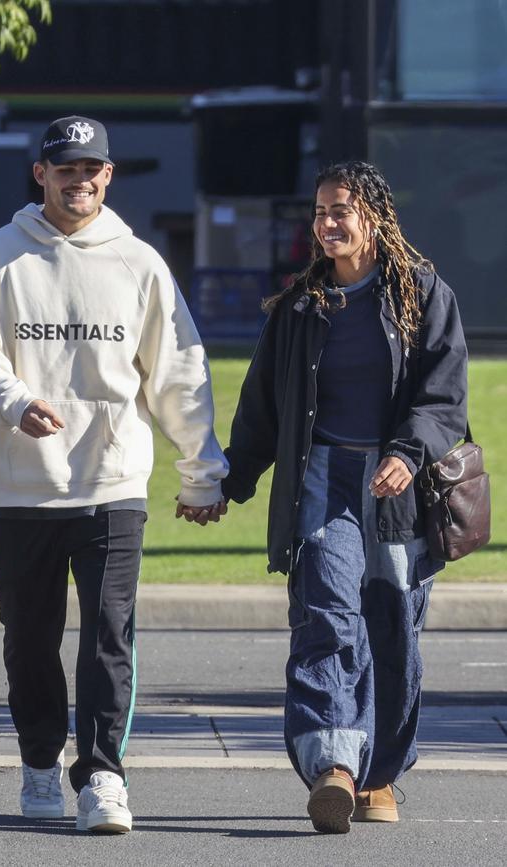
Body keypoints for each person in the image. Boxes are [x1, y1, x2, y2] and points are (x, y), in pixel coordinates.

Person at [0, 114, 227, 833]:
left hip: (112, 486)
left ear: (108, 176)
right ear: (41, 174)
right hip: (20, 490)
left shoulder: (139, 264)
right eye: (65, 168)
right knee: (29, 640)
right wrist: (13, 402)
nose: (80, 180)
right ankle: (41, 762)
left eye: (92, 169)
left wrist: (201, 472)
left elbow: (178, 373)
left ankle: (103, 774)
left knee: (108, 635)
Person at [221, 161, 467, 834]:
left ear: (374, 219)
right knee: (327, 615)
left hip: (398, 487)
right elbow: (261, 413)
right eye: (320, 212)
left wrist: (406, 452)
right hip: (322, 477)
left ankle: (381, 771)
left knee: (391, 625)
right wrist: (228, 483)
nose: (327, 223)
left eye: (341, 211)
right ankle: (334, 764)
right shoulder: (298, 309)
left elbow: (446, 398)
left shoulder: (420, 294)